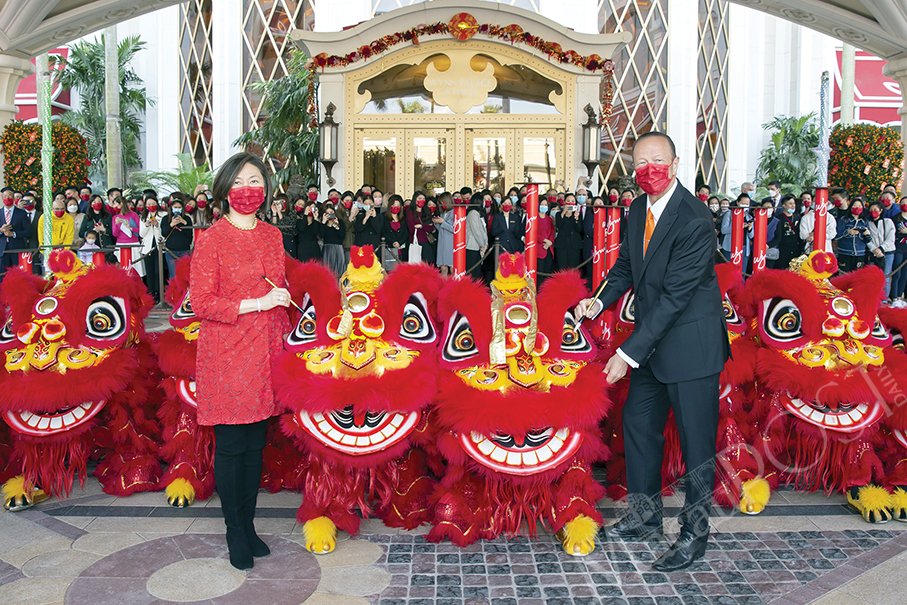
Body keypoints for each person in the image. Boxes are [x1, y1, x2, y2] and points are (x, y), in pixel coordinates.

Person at [574, 131, 729, 572]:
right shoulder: (638, 208)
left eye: (657, 161)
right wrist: (600, 299)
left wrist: (626, 353)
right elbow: (627, 264)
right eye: (640, 164)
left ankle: (695, 534)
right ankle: (644, 518)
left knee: (697, 445)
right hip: (652, 345)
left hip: (690, 347)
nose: (649, 171)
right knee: (638, 426)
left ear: (676, 164)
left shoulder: (695, 218)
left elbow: (676, 297)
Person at [189, 151, 291, 571]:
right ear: (224, 190)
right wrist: (257, 302)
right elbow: (202, 302)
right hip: (229, 353)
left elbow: (279, 284)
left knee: (255, 445)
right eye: (240, 182)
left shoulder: (272, 235)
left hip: (266, 350)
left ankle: (248, 526)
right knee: (232, 445)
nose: (248, 190)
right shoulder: (211, 238)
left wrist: (282, 301)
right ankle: (234, 530)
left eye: (255, 181)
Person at [140, 196, 167, 301]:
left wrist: (157, 225)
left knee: (159, 271)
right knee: (150, 271)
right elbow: (141, 234)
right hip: (147, 247)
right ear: (146, 206)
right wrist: (146, 225)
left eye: (153, 203)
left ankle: (160, 293)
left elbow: (164, 232)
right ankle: (152, 294)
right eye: (149, 204)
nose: (151, 206)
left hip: (159, 245)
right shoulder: (142, 217)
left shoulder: (163, 215)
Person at [866, 201, 895, 298]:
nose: (873, 212)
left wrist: (881, 248)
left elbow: (890, 238)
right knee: (872, 277)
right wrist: (875, 249)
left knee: (885, 276)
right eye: (871, 210)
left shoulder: (888, 222)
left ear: (881, 210)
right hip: (874, 253)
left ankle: (884, 299)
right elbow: (867, 239)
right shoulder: (868, 223)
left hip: (887, 252)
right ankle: (873, 297)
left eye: (875, 209)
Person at [111, 195, 144, 277]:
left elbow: (139, 230)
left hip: (133, 244)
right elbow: (114, 234)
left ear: (121, 204)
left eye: (115, 204)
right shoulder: (115, 217)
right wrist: (116, 224)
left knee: (135, 270)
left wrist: (130, 227)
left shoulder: (133, 215)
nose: (114, 207)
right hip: (120, 244)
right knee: (122, 270)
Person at [161, 197, 194, 281]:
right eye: (175, 207)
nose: (177, 209)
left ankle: (185, 293)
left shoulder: (187, 219)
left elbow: (190, 236)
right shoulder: (165, 218)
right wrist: (171, 224)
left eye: (179, 207)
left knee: (185, 274)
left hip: (184, 250)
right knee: (173, 275)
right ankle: (174, 294)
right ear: (171, 207)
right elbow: (164, 233)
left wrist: (184, 223)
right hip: (171, 251)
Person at [835, 198, 871, 272]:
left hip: (859, 253)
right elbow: (837, 236)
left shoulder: (864, 222)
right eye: (855, 205)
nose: (857, 207)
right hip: (845, 253)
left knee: (857, 276)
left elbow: (869, 240)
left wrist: (867, 235)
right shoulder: (844, 220)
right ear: (851, 207)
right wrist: (848, 232)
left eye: (860, 206)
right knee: (844, 275)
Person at [0, 188, 29, 281]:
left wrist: (13, 234)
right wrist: (1, 230)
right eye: (5, 196)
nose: (7, 198)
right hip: (2, 250)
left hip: (17, 249)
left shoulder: (21, 213)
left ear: (13, 198)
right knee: (2, 276)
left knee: (18, 276)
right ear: (1, 198)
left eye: (9, 196)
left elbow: (28, 231)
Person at [720, 193, 754, 268]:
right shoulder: (729, 214)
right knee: (729, 271)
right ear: (737, 202)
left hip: (744, 247)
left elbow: (751, 235)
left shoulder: (748, 216)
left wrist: (750, 228)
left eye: (747, 204)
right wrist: (737, 227)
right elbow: (724, 230)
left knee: (741, 273)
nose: (745, 205)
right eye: (743, 203)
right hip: (730, 247)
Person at [771, 195, 804, 270]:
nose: (793, 206)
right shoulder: (779, 219)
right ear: (784, 205)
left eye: (794, 203)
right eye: (790, 204)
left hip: (796, 248)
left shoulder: (797, 217)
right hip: (783, 249)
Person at [555, 192, 583, 270]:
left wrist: (576, 219)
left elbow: (579, 229)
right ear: (564, 202)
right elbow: (558, 225)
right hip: (562, 244)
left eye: (573, 201)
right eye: (568, 200)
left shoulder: (578, 214)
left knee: (573, 267)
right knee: (562, 267)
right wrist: (563, 212)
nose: (570, 202)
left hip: (574, 245)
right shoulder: (559, 214)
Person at [464, 192, 488, 281]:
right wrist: (483, 245)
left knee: (477, 272)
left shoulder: (478, 213)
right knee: (472, 272)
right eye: (483, 200)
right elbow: (476, 231)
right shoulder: (473, 213)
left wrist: (485, 244)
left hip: (477, 246)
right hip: (472, 246)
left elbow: (482, 230)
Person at [319, 199, 346, 276]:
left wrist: (337, 226)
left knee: (339, 269)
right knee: (328, 270)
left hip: (338, 248)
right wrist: (324, 223)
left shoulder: (340, 222)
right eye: (327, 213)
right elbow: (321, 235)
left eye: (331, 212)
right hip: (327, 249)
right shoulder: (323, 224)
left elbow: (342, 236)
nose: (330, 214)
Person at [382, 194, 408, 269]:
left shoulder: (403, 218)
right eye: (393, 205)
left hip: (401, 248)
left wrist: (399, 242)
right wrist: (393, 242)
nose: (396, 207)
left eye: (398, 205)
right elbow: (383, 232)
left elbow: (405, 233)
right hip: (389, 249)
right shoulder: (384, 217)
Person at [536, 193, 555, 285]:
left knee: (547, 274)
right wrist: (544, 240)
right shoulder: (534, 218)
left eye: (546, 205)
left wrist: (550, 242)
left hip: (548, 249)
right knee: (539, 274)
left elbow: (552, 232)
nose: (544, 206)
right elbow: (534, 233)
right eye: (542, 204)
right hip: (539, 249)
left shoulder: (549, 219)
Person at [435, 192, 455, 276]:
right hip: (442, 244)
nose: (441, 204)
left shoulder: (455, 212)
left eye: (442, 202)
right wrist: (436, 223)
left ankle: (454, 288)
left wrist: (443, 222)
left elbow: (455, 229)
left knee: (452, 268)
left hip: (451, 244)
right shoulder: (443, 213)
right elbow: (441, 229)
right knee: (443, 268)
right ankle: (444, 288)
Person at [892, 201, 907, 301]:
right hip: (898, 248)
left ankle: (899, 296)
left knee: (905, 274)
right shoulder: (895, 218)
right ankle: (893, 297)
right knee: (897, 273)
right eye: (903, 203)